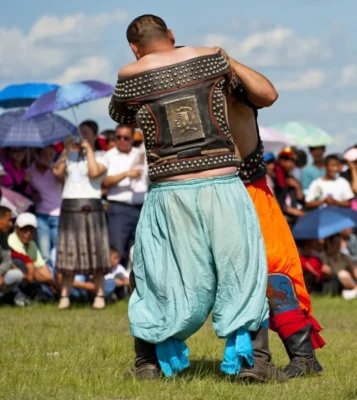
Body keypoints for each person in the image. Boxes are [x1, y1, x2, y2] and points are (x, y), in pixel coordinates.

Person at [109, 15, 273, 381]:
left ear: (135, 48)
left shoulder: (129, 75)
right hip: (223, 185)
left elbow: (121, 113)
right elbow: (266, 95)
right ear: (171, 35)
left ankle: (149, 363)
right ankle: (253, 363)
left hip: (170, 191)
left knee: (157, 274)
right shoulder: (212, 59)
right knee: (242, 270)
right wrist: (222, 57)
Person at [226, 57, 324, 380]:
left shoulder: (233, 89)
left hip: (251, 195)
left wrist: (225, 58)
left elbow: (268, 94)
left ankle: (300, 357)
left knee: (271, 272)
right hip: (215, 197)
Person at [53, 127, 110, 311]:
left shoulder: (101, 156)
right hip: (70, 207)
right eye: (80, 133)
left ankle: (99, 295)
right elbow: (56, 173)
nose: (82, 136)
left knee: (96, 251)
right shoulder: (70, 156)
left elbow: (94, 173)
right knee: (68, 252)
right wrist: (66, 149)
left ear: (95, 135)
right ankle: (65, 296)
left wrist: (89, 148)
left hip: (92, 207)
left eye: (86, 133)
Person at [103, 124, 148, 267]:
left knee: (139, 250)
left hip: (141, 208)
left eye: (126, 138)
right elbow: (104, 182)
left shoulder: (140, 154)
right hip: (119, 209)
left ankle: (132, 286)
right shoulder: (109, 156)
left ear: (131, 139)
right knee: (116, 250)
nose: (122, 140)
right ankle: (113, 286)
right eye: (118, 137)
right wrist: (126, 174)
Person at [27, 145, 63, 267]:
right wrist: (32, 195)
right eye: (45, 154)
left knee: (58, 252)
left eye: (51, 155)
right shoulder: (30, 171)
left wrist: (51, 167)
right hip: (41, 216)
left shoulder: (56, 170)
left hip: (58, 215)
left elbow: (64, 180)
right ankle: (47, 284)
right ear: (38, 155)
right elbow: (25, 192)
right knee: (44, 254)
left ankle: (58, 281)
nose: (48, 157)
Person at [8, 213, 56, 296]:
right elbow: (29, 269)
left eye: (31, 230)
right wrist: (51, 282)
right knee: (19, 263)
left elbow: (42, 267)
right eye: (24, 230)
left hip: (31, 279)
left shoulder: (32, 244)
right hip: (15, 280)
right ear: (16, 229)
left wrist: (51, 281)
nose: (28, 233)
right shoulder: (11, 240)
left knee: (49, 293)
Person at [274, 148, 305, 228]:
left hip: (294, 219)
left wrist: (297, 187)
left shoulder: (292, 179)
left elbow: (301, 200)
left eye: (293, 162)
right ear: (282, 161)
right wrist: (289, 210)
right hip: (280, 218)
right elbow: (275, 201)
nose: (293, 165)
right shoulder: (274, 179)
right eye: (290, 161)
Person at [0, 207, 24, 305]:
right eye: (8, 220)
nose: (11, 224)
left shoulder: (3, 236)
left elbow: (7, 260)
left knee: (17, 275)